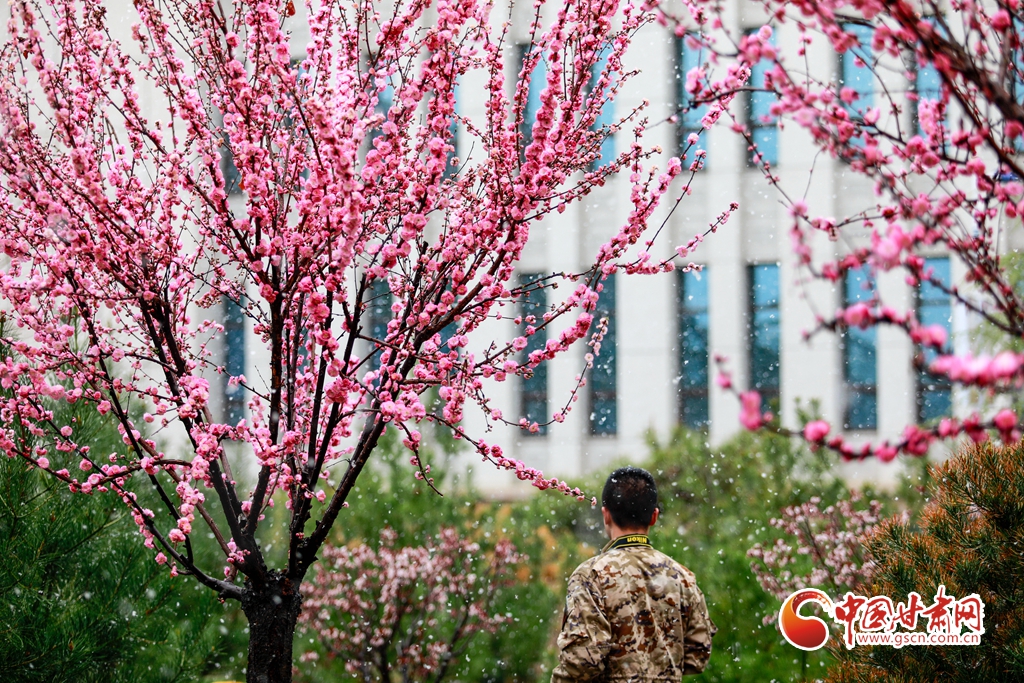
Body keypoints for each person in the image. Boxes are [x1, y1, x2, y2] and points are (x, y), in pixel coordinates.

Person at [551, 466, 716, 682]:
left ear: (606, 514)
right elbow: (698, 654)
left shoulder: (591, 575)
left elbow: (582, 661)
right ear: (654, 516)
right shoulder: (682, 575)